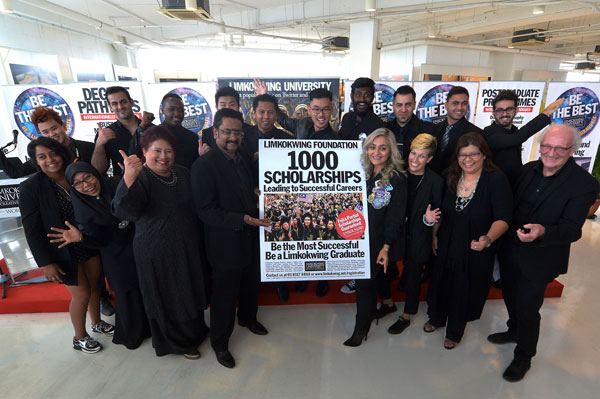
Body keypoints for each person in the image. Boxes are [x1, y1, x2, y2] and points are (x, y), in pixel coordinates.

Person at [489, 124, 600, 382]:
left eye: (559, 148)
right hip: (511, 248)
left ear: (571, 150)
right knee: (508, 293)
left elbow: (573, 230)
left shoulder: (584, 184)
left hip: (541, 255)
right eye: (547, 146)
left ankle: (523, 356)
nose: (551, 152)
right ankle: (513, 330)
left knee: (528, 307)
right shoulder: (527, 171)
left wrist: (542, 232)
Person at [112, 126, 208, 359]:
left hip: (186, 246)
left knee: (189, 291)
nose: (163, 156)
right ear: (144, 151)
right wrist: (128, 178)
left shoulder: (182, 172)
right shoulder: (140, 177)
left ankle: (195, 332)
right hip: (156, 250)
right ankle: (180, 343)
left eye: (168, 151)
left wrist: (204, 161)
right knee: (170, 297)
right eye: (156, 151)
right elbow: (124, 212)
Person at [191, 109, 271, 369]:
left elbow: (246, 190)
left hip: (251, 237)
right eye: (227, 132)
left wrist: (257, 193)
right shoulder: (204, 165)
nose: (233, 137)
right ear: (215, 132)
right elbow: (205, 211)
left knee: (251, 283)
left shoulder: (244, 159)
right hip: (225, 243)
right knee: (225, 296)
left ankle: (248, 318)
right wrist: (243, 219)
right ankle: (220, 342)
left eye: (238, 132)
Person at [18, 137, 113, 354]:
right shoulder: (30, 187)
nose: (50, 160)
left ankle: (97, 323)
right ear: (36, 161)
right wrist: (46, 263)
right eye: (42, 157)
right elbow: (31, 229)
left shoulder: (74, 175)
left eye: (53, 154)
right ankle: (79, 337)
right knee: (81, 294)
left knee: (95, 286)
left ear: (61, 154)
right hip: (60, 249)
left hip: (86, 241)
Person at [47, 162, 151, 349]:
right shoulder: (82, 209)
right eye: (78, 183)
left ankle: (154, 327)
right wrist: (81, 237)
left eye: (88, 177)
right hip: (115, 255)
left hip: (139, 245)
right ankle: (133, 334)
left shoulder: (116, 183)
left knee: (147, 286)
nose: (86, 185)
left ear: (95, 173)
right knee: (126, 292)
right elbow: (100, 240)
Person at [425, 132, 511, 349]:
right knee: (441, 281)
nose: (468, 159)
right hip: (447, 241)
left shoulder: (496, 179)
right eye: (463, 155)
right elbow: (441, 211)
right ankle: (436, 318)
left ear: (484, 155)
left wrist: (488, 239)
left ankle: (454, 331)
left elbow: (503, 217)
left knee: (464, 289)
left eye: (474, 154)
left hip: (475, 245)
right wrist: (434, 234)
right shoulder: (451, 175)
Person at [344, 127, 406, 347]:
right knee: (371, 281)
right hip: (356, 236)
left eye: (382, 148)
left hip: (377, 242)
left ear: (391, 151)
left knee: (364, 285)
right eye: (372, 147)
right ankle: (377, 309)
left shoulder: (396, 179)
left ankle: (360, 329)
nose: (376, 152)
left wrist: (386, 247)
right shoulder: (360, 171)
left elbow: (395, 217)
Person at [388, 133, 443, 335]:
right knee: (386, 267)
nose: (415, 159)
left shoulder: (435, 182)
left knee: (412, 275)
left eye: (421, 156)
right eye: (413, 153)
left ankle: (407, 315)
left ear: (429, 159)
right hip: (395, 231)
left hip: (419, 233)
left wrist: (432, 228)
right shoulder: (396, 173)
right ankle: (387, 302)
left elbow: (437, 214)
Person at [243, 93, 294, 303]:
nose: (266, 116)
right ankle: (253, 283)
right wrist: (252, 188)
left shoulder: (287, 139)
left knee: (278, 242)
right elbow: (234, 168)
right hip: (247, 201)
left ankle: (281, 282)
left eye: (270, 112)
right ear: (254, 113)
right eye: (261, 112)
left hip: (276, 201)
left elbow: (293, 174)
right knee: (253, 248)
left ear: (277, 114)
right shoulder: (242, 137)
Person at [483, 90, 565, 187]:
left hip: (515, 186)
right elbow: (516, 139)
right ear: (493, 113)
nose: (504, 114)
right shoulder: (489, 132)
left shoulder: (514, 131)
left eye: (509, 109)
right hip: (495, 187)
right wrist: (545, 114)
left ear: (516, 111)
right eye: (499, 110)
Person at [1, 107, 94, 178]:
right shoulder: (44, 157)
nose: (51, 134)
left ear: (64, 126)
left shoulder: (88, 148)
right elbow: (15, 172)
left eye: (54, 128)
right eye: (45, 132)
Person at [91, 86, 154, 176]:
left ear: (131, 102)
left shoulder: (151, 129)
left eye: (123, 102)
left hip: (153, 183)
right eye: (114, 104)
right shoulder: (105, 134)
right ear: (110, 107)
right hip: (123, 185)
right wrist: (99, 144)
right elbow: (98, 169)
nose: (120, 107)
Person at [429, 86, 483, 174]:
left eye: (464, 103)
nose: (460, 107)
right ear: (446, 105)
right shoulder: (434, 129)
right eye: (455, 103)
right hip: (434, 183)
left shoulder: (476, 133)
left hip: (457, 183)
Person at [386, 85, 437, 160]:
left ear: (414, 105)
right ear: (393, 106)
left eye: (408, 105)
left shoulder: (429, 130)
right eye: (399, 105)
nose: (403, 110)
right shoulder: (385, 129)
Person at [200, 86, 252, 153]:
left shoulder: (250, 131)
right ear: (217, 107)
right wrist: (203, 155)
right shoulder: (207, 134)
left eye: (232, 104)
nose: (228, 108)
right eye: (223, 105)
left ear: (239, 106)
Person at [159, 93, 203, 169]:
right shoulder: (154, 135)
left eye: (180, 110)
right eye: (171, 109)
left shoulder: (192, 137)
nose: (177, 114)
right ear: (162, 110)